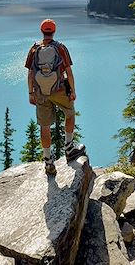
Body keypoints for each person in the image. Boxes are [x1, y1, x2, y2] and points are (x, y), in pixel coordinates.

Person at [25, 18, 86, 175]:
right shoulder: (60, 48)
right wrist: (72, 91)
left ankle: (48, 162)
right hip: (59, 90)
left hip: (41, 94)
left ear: (41, 31)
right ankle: (69, 148)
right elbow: (69, 72)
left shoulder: (34, 49)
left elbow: (31, 73)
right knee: (70, 113)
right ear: (54, 31)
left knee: (45, 127)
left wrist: (31, 93)